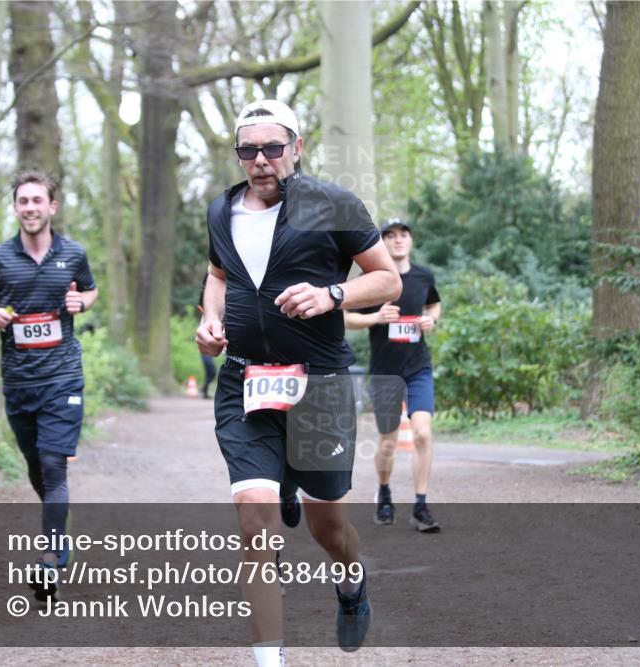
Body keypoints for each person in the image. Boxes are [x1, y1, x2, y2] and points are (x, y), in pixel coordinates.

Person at [196, 99, 401, 665]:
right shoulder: (221, 210)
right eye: (248, 150)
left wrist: (331, 294)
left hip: (320, 386)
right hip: (245, 383)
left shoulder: (332, 204)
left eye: (272, 148)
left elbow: (387, 279)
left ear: (297, 147)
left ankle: (351, 583)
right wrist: (209, 320)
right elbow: (217, 277)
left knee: (329, 528)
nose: (261, 160)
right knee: (254, 520)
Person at [0, 170, 98, 598]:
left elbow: (91, 291)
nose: (30, 208)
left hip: (63, 377)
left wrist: (81, 301)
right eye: (23, 201)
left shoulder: (73, 253)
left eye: (37, 200)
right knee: (37, 469)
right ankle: (60, 537)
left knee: (53, 463)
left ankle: (48, 560)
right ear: (16, 208)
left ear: (51, 207)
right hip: (19, 381)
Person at [344, 218, 442, 533]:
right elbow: (344, 318)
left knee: (423, 434)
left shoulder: (424, 276)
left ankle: (421, 505)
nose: (398, 240)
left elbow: (434, 304)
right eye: (390, 236)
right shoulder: (372, 280)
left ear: (410, 241)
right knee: (387, 442)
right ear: (383, 243)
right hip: (385, 371)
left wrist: (431, 320)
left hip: (418, 367)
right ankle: (384, 493)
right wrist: (375, 317)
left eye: (403, 235)